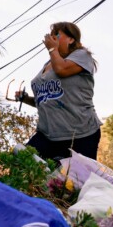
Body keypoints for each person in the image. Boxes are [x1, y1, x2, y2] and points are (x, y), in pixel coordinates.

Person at [16, 22, 101, 162]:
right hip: (48, 134)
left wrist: (52, 50)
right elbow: (47, 100)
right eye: (51, 34)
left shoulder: (82, 56)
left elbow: (62, 70)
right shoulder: (48, 64)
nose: (52, 37)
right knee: (22, 163)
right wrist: (25, 98)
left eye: (57, 34)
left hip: (80, 133)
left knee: (75, 181)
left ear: (71, 39)